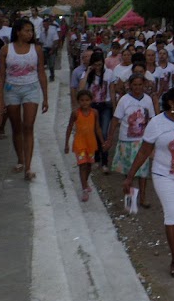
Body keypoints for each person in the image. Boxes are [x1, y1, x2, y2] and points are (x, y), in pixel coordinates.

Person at [123, 87, 174, 278]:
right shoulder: (157, 123)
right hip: (164, 176)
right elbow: (144, 151)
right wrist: (130, 176)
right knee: (172, 214)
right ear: (171, 103)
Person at [0, 19, 48, 180]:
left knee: (28, 126)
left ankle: (28, 166)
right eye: (27, 30)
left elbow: (41, 73)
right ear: (18, 31)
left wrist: (45, 97)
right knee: (16, 127)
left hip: (31, 89)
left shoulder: (37, 49)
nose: (30, 34)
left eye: (31, 31)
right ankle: (20, 159)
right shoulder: (6, 50)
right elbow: (1, 77)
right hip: (11, 89)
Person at [106, 73, 157, 204]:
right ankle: (129, 200)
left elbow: (151, 120)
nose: (137, 87)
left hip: (142, 141)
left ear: (144, 85)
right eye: (135, 85)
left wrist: (154, 141)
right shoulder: (124, 100)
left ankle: (143, 198)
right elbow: (115, 119)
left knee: (143, 172)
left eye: (140, 84)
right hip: (126, 140)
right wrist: (110, 138)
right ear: (130, 85)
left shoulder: (147, 100)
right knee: (128, 172)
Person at [64, 90, 105, 202]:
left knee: (89, 165)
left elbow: (97, 128)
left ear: (91, 100)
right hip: (80, 143)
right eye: (82, 100)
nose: (84, 103)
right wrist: (66, 143)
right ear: (78, 101)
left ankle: (85, 182)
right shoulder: (76, 113)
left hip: (91, 143)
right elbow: (69, 128)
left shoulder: (94, 113)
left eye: (87, 100)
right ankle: (84, 189)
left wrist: (102, 142)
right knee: (82, 165)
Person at [79, 52, 114, 173]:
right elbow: (81, 88)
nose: (98, 67)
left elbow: (112, 91)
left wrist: (114, 107)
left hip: (105, 106)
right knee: (94, 133)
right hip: (92, 107)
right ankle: (96, 157)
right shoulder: (87, 75)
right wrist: (88, 72)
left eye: (100, 65)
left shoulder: (109, 73)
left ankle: (104, 161)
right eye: (95, 65)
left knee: (103, 133)